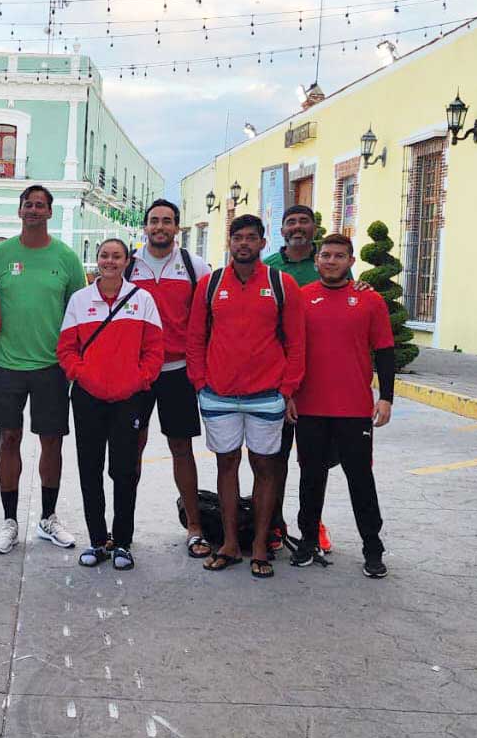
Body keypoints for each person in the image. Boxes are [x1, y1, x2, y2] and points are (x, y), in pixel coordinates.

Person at [187, 214, 306, 579]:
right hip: (218, 394)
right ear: (229, 242)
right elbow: (195, 338)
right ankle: (229, 544)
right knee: (226, 465)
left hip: (266, 394)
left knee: (265, 468)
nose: (243, 244)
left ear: (262, 243)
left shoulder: (280, 283)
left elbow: (297, 342)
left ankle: (259, 546)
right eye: (237, 237)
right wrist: (200, 381)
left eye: (251, 238)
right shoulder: (210, 284)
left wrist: (287, 389)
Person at [0, 185, 87, 553]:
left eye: (41, 205)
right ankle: (10, 522)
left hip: (52, 367)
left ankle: (48, 518)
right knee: (8, 440)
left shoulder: (66, 258)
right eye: (29, 204)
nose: (34, 210)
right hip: (6, 364)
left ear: (50, 213)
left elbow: (81, 312)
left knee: (51, 442)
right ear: (19, 210)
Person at [288, 235, 395, 578]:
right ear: (316, 260)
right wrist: (288, 393)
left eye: (339, 256)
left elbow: (385, 351)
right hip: (309, 406)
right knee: (310, 477)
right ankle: (307, 541)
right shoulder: (301, 299)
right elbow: (290, 350)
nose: (331, 261)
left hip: (353, 408)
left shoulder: (369, 300)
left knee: (360, 479)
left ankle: (372, 547)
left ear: (351, 261)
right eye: (326, 255)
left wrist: (387, 397)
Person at [57, 239, 164, 570]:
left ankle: (123, 542)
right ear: (97, 260)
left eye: (116, 256)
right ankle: (96, 540)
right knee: (89, 470)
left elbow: (154, 350)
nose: (110, 261)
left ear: (126, 261)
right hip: (88, 398)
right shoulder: (80, 300)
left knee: (124, 471)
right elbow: (66, 349)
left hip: (128, 399)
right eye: (104, 256)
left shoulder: (142, 300)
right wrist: (82, 374)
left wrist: (138, 380)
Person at [125, 200, 213, 558]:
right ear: (144, 227)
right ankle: (123, 528)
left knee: (182, 449)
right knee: (131, 450)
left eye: (167, 221)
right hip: (137, 374)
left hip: (178, 373)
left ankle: (194, 527)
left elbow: (211, 320)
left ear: (177, 227)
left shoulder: (196, 267)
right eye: (153, 221)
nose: (160, 226)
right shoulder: (129, 265)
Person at [262, 204, 337, 554]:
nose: (297, 227)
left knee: (314, 461)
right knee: (274, 459)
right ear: (281, 231)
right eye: (290, 222)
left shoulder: (327, 265)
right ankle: (273, 524)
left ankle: (313, 525)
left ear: (313, 227)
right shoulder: (268, 270)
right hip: (278, 379)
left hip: (319, 381)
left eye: (303, 221)